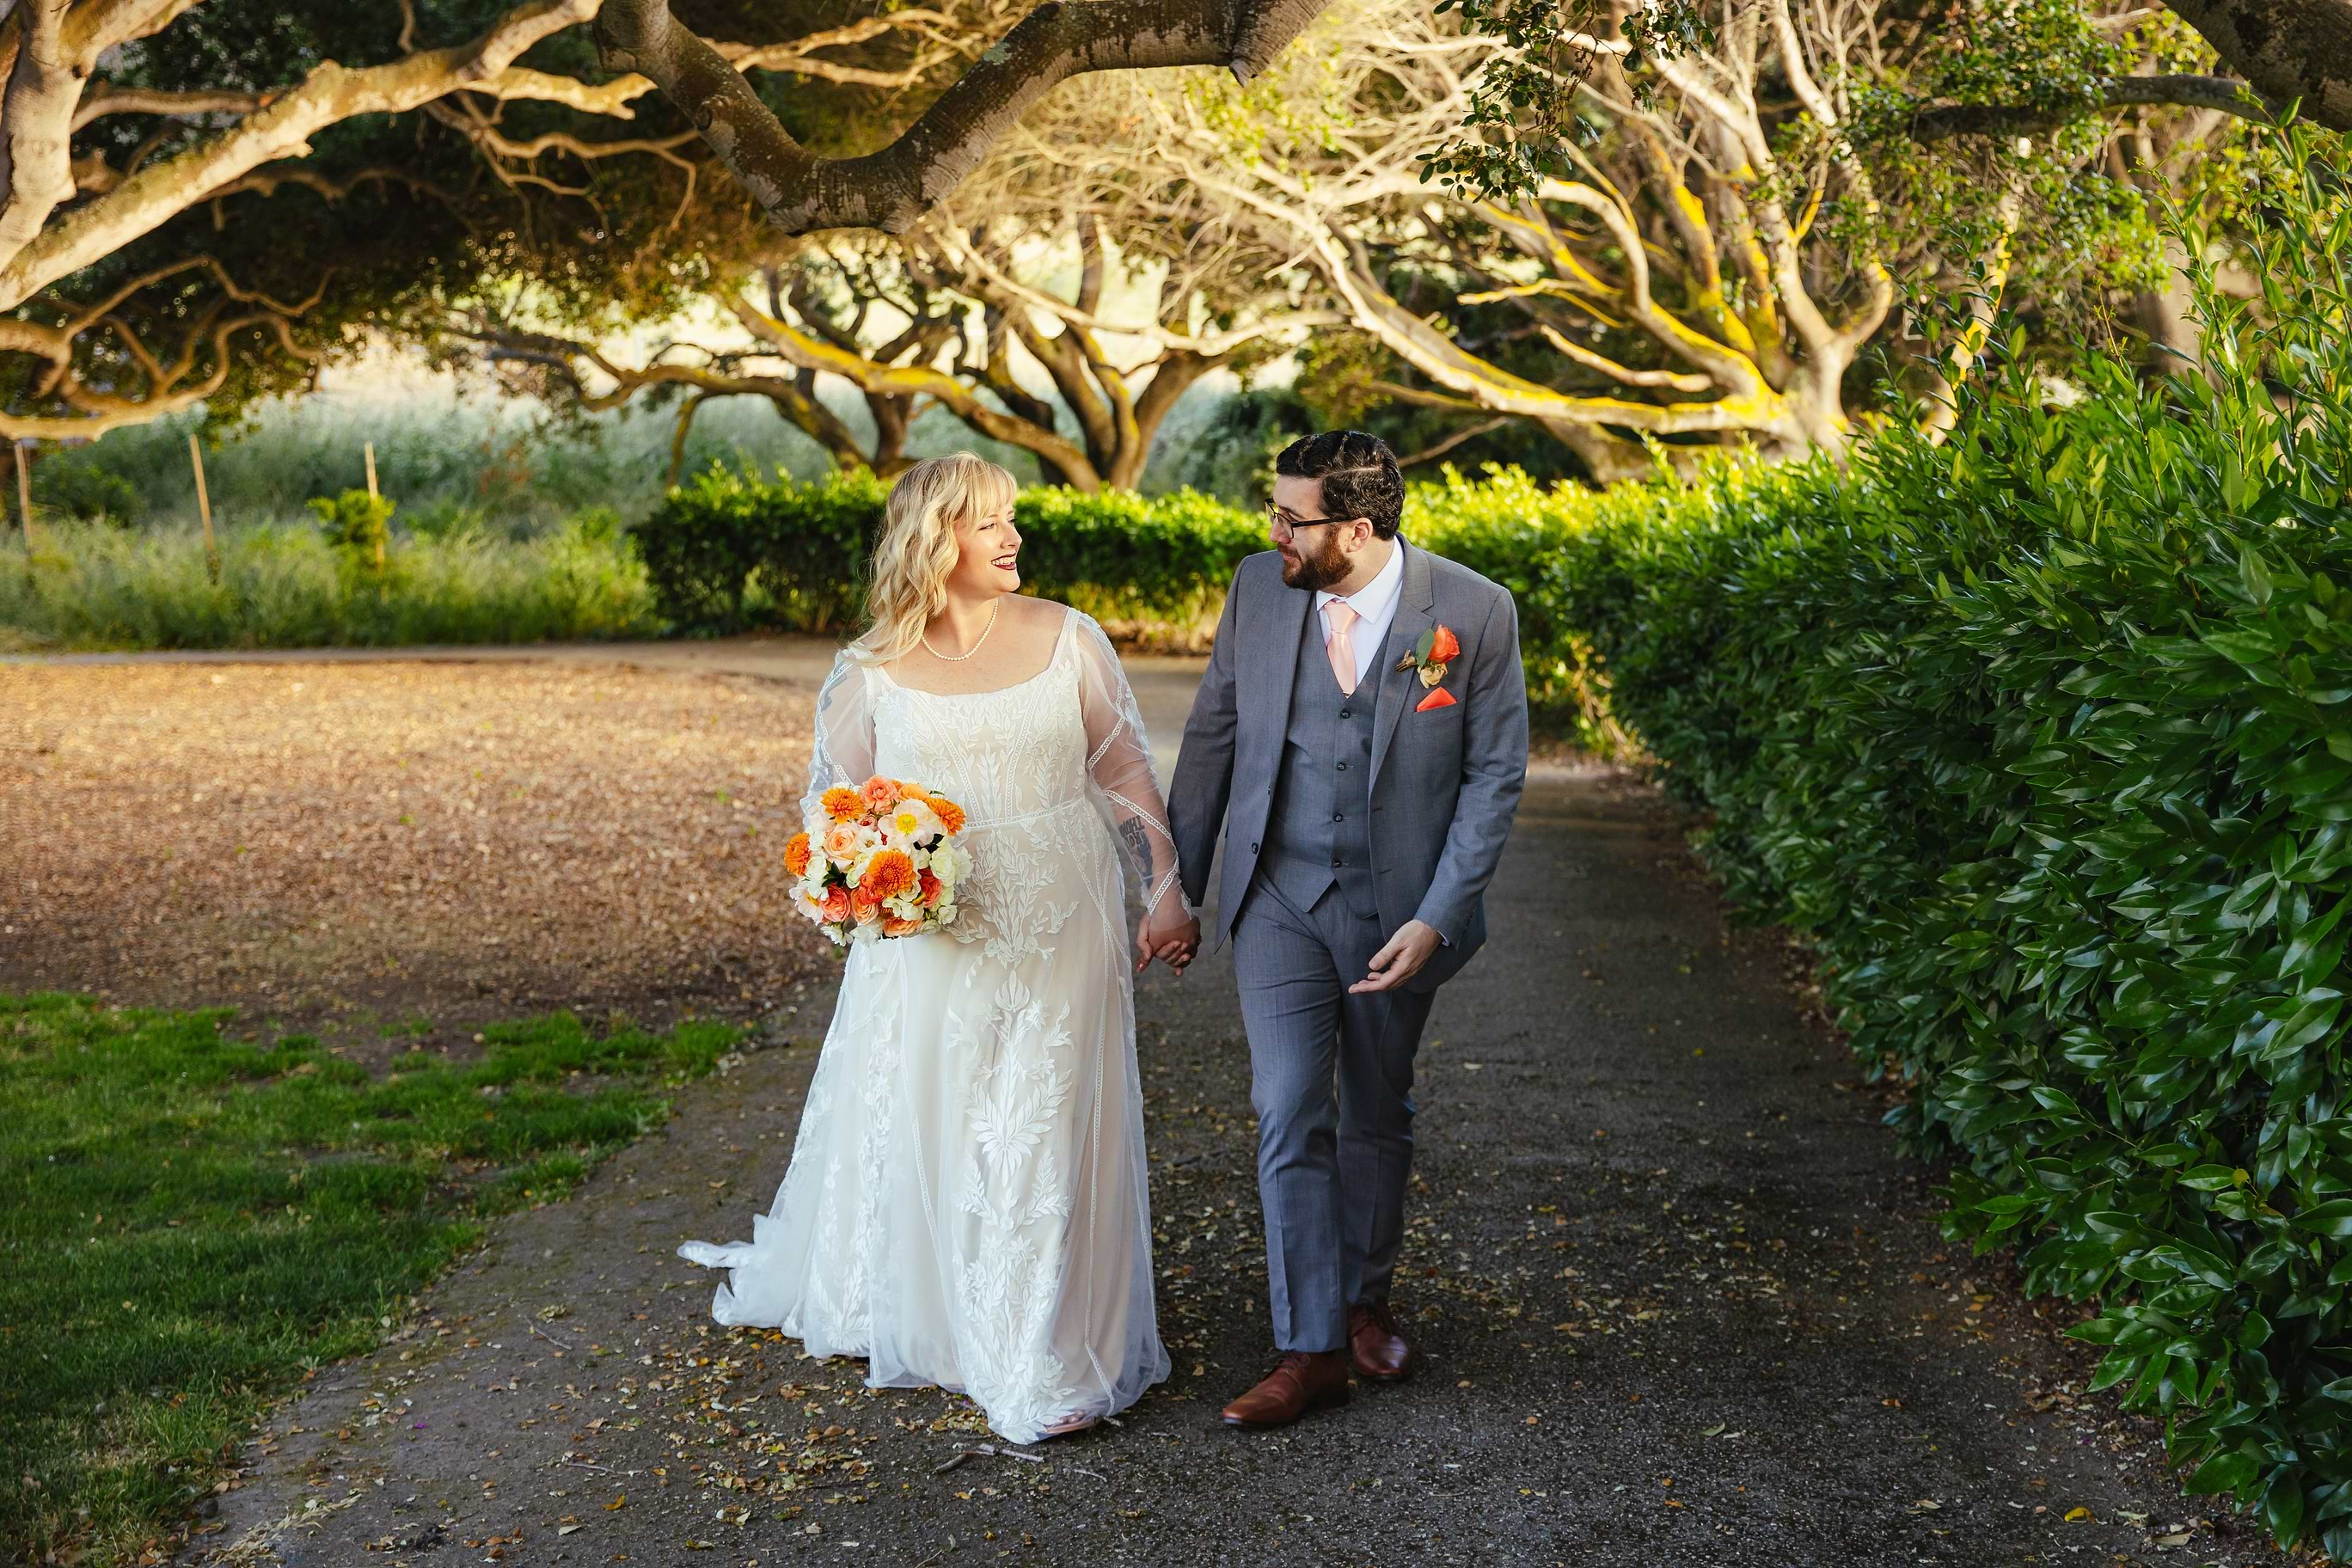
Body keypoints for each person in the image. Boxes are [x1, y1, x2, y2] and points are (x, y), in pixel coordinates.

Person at [679, 453, 1197, 1444]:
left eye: (1011, 520)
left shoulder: (1069, 638)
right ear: (933, 541)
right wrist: (870, 888)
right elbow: (837, 817)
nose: (1012, 538)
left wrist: (1164, 888)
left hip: (1064, 914)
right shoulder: (869, 672)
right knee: (953, 1118)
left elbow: (1125, 766)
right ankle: (955, 1319)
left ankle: (1045, 1352)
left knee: (1045, 1120)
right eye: (988, 523)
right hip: (938, 935)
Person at [1170, 430, 1528, 1429]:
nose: (1271, 530)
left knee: (1376, 1108)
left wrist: (1438, 915)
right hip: (1278, 894)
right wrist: (1178, 884)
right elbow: (1213, 733)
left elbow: (1494, 777)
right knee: (1289, 1107)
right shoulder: (1257, 586)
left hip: (1398, 910)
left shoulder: (1472, 611)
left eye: (1292, 517)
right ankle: (1309, 1346)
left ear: (1359, 529)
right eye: (1273, 511)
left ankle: (1365, 1300)